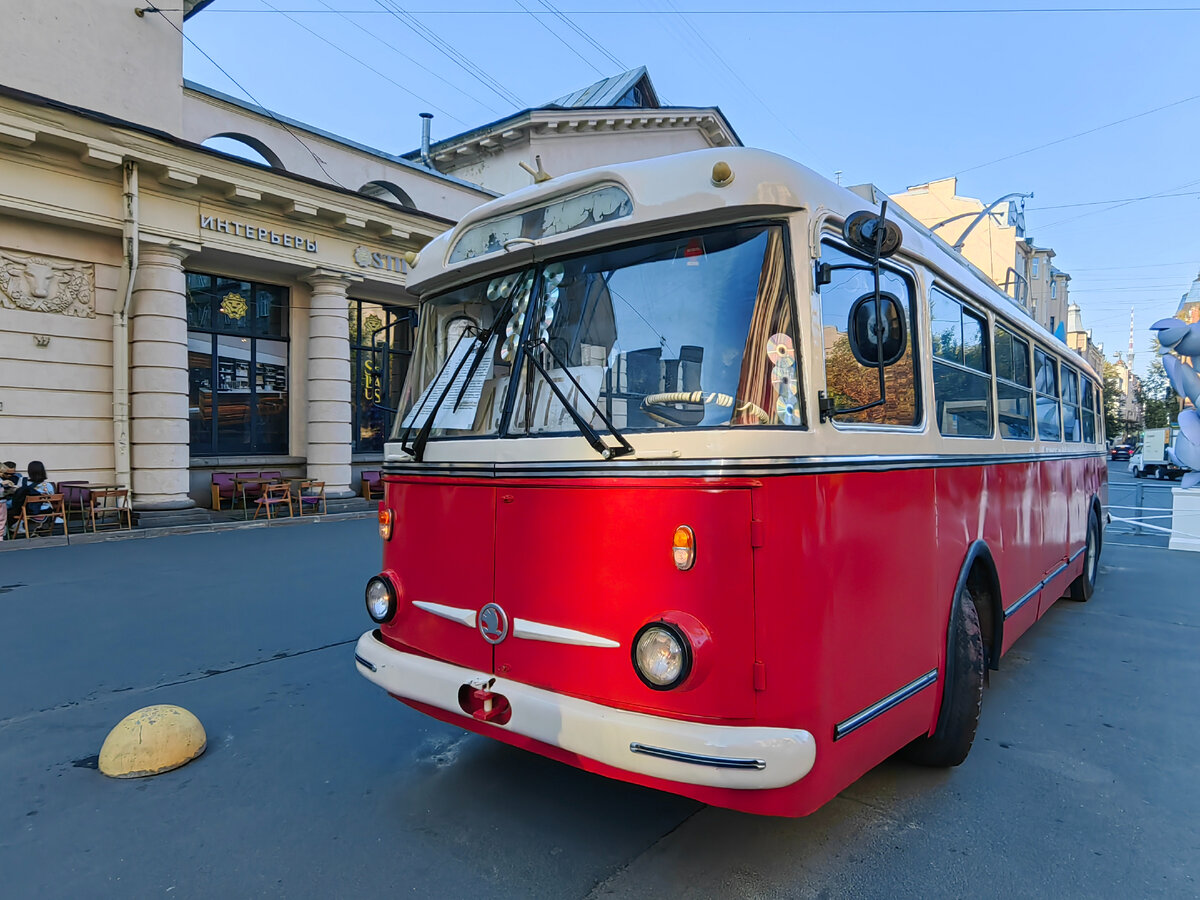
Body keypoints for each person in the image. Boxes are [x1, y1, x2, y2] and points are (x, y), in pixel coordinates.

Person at [11, 461, 57, 535]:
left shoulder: (22, 481)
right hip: (45, 511)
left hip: (27, 511)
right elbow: (51, 498)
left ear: (29, 471)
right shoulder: (47, 485)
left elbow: (16, 495)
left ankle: (14, 525)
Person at [0, 462, 18, 540]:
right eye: (2, 473)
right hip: (3, 500)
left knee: (2, 521)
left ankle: (1, 537)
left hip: (3, 501)